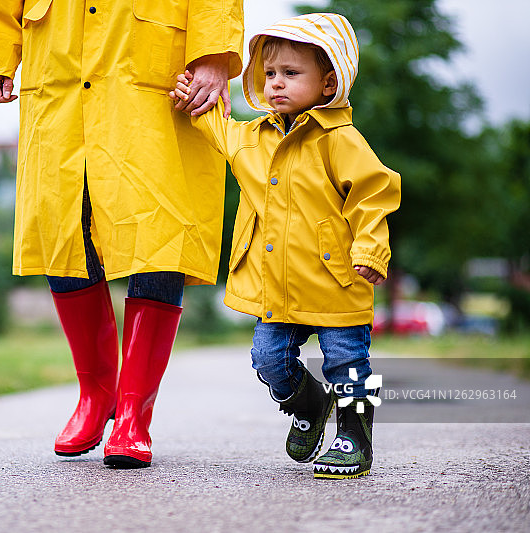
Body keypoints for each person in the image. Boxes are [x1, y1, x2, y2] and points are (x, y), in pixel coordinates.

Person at [0, 1, 244, 468]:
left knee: (160, 233)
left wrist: (216, 55)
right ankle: (95, 396)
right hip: (58, 70)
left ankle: (133, 412)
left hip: (150, 70)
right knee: (62, 228)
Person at [171, 12, 401, 479]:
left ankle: (354, 436)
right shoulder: (252, 139)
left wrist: (371, 251)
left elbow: (373, 195)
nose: (276, 84)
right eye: (270, 73)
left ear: (328, 80)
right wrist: (194, 93)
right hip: (274, 286)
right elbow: (216, 125)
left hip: (337, 281)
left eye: (291, 74)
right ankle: (310, 403)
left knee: (347, 363)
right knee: (268, 359)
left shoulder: (341, 140)